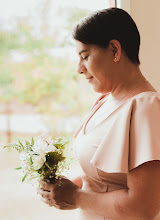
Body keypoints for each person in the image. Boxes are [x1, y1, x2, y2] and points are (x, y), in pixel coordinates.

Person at [37, 8, 160, 220]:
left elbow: (143, 208)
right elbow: (104, 181)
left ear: (114, 50)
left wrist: (76, 197)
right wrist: (61, 190)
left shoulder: (145, 107)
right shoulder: (105, 101)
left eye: (85, 56)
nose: (79, 69)